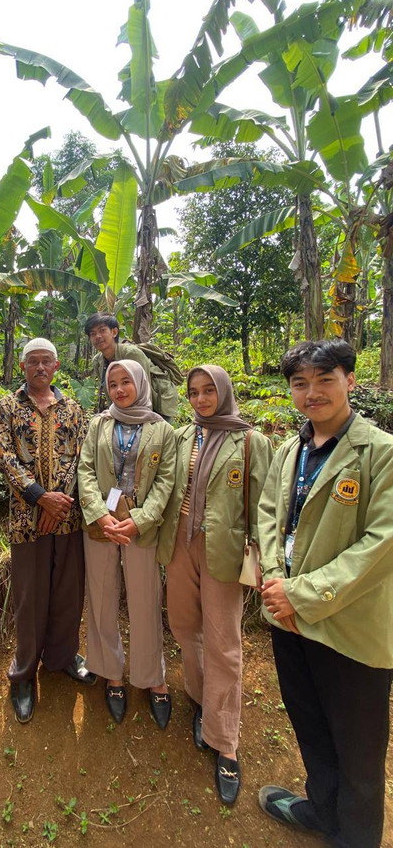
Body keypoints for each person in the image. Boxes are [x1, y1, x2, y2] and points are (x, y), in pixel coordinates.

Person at [257, 340, 393, 848]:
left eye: (324, 380)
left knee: (358, 748)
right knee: (309, 724)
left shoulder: (380, 452)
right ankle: (320, 809)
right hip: (289, 619)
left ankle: (354, 836)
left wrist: (303, 594)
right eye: (300, 383)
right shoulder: (292, 449)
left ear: (350, 381)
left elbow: (382, 545)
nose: (312, 393)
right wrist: (275, 583)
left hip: (348, 627)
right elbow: (270, 516)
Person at [157, 365, 272, 805]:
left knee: (224, 639)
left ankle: (225, 741)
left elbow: (265, 505)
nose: (201, 399)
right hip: (180, 541)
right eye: (194, 393)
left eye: (209, 391)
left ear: (223, 392)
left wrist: (264, 559)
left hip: (223, 548)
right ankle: (202, 698)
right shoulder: (185, 436)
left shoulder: (249, 441)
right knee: (185, 626)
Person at [0, 338, 95, 724]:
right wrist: (40, 498)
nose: (39, 367)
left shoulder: (72, 409)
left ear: (55, 368)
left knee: (68, 591)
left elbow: (82, 454)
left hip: (67, 516)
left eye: (46, 362)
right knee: (29, 596)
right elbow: (4, 456)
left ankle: (62, 657)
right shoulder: (7, 406)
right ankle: (24, 672)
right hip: (26, 519)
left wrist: (60, 500)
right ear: (23, 367)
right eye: (32, 362)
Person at [78, 359, 176, 729]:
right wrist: (99, 514)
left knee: (145, 600)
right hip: (101, 525)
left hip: (140, 527)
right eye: (112, 383)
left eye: (126, 382)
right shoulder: (99, 424)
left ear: (140, 383)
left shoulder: (161, 429)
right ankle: (111, 673)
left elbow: (166, 481)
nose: (119, 390)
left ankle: (153, 677)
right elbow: (85, 469)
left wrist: (138, 521)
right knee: (101, 597)